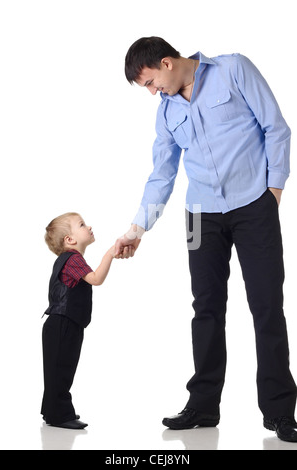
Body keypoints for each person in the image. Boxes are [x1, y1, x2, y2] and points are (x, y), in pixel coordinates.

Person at [115, 37, 297, 442]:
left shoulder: (233, 70)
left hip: (254, 204)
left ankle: (280, 412)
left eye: (149, 83)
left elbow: (275, 127)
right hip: (200, 216)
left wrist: (275, 191)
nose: (152, 93)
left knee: (267, 305)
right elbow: (162, 174)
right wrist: (137, 229)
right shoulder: (166, 113)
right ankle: (202, 406)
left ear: (166, 62)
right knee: (206, 308)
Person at [41, 212, 129, 429]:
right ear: (69, 240)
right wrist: (109, 253)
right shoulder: (73, 259)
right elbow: (96, 279)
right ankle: (59, 415)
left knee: (58, 369)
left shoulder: (70, 260)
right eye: (81, 225)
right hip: (63, 322)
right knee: (62, 369)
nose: (88, 227)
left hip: (61, 322)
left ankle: (52, 411)